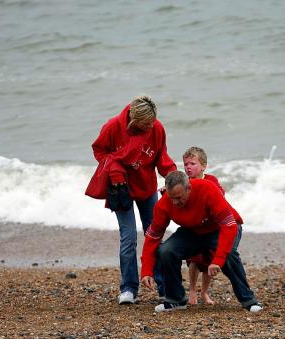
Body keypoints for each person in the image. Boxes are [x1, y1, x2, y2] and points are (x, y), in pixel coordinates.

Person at [89, 95, 176, 305]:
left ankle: (164, 288)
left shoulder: (157, 129)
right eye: (145, 124)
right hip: (121, 188)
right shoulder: (113, 127)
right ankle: (128, 288)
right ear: (133, 119)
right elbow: (99, 150)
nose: (149, 127)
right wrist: (115, 169)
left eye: (152, 123)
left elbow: (161, 158)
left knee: (153, 235)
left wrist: (172, 177)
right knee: (128, 238)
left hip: (147, 188)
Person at [140, 171, 262, 313]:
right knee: (166, 251)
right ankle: (176, 300)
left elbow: (229, 225)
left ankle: (248, 300)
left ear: (189, 189)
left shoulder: (207, 189)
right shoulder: (164, 204)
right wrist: (146, 270)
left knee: (229, 255)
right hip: (193, 232)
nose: (175, 202)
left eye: (179, 198)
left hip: (222, 228)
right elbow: (152, 237)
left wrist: (218, 259)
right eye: (171, 198)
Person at [182, 146, 224, 305]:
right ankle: (192, 290)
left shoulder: (211, 180)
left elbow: (220, 196)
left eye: (192, 163)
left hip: (210, 228)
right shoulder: (184, 182)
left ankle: (205, 293)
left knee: (208, 263)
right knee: (194, 260)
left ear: (203, 166)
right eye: (185, 164)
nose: (188, 167)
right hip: (193, 228)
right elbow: (177, 196)